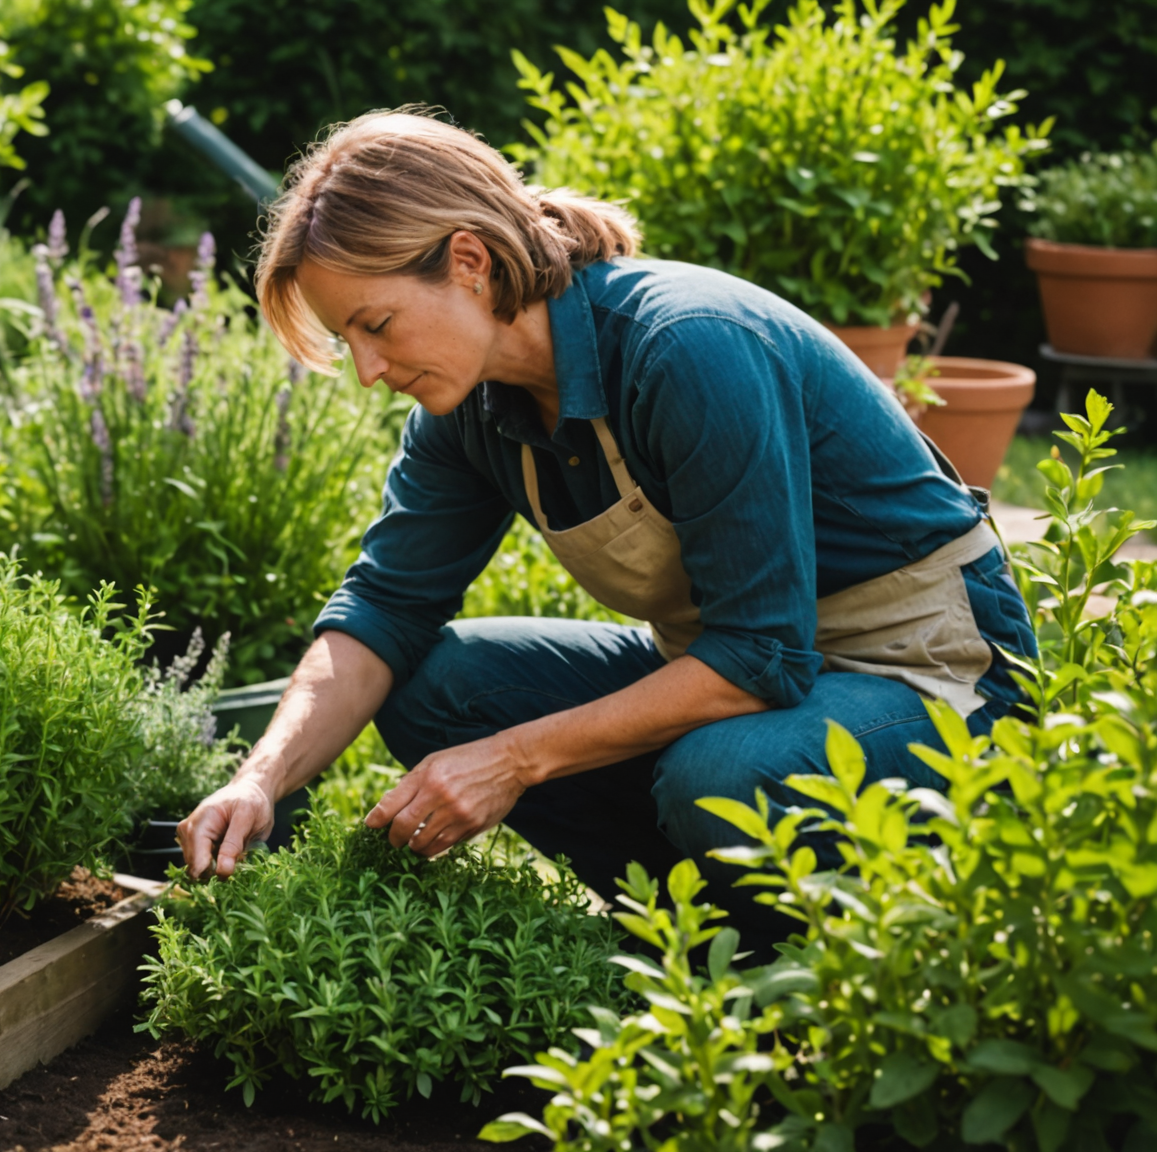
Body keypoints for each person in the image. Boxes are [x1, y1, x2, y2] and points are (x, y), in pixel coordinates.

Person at [176, 111, 1038, 939]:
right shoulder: (468, 410)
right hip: (763, 677)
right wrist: (260, 779)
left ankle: (803, 975)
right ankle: (687, 941)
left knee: (719, 776)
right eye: (348, 340)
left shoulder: (686, 345)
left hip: (933, 673)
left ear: (469, 261)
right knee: (439, 686)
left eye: (378, 325)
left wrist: (513, 759)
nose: (367, 369)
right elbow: (383, 609)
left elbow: (757, 655)